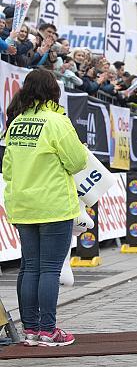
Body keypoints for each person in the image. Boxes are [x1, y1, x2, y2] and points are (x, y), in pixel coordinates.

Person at [3, 69, 87, 346]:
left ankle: (30, 329)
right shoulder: (56, 122)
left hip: (24, 205)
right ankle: (48, 330)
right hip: (53, 205)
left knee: (30, 267)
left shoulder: (16, 123)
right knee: (50, 268)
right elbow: (76, 162)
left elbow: (8, 169)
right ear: (53, 91)